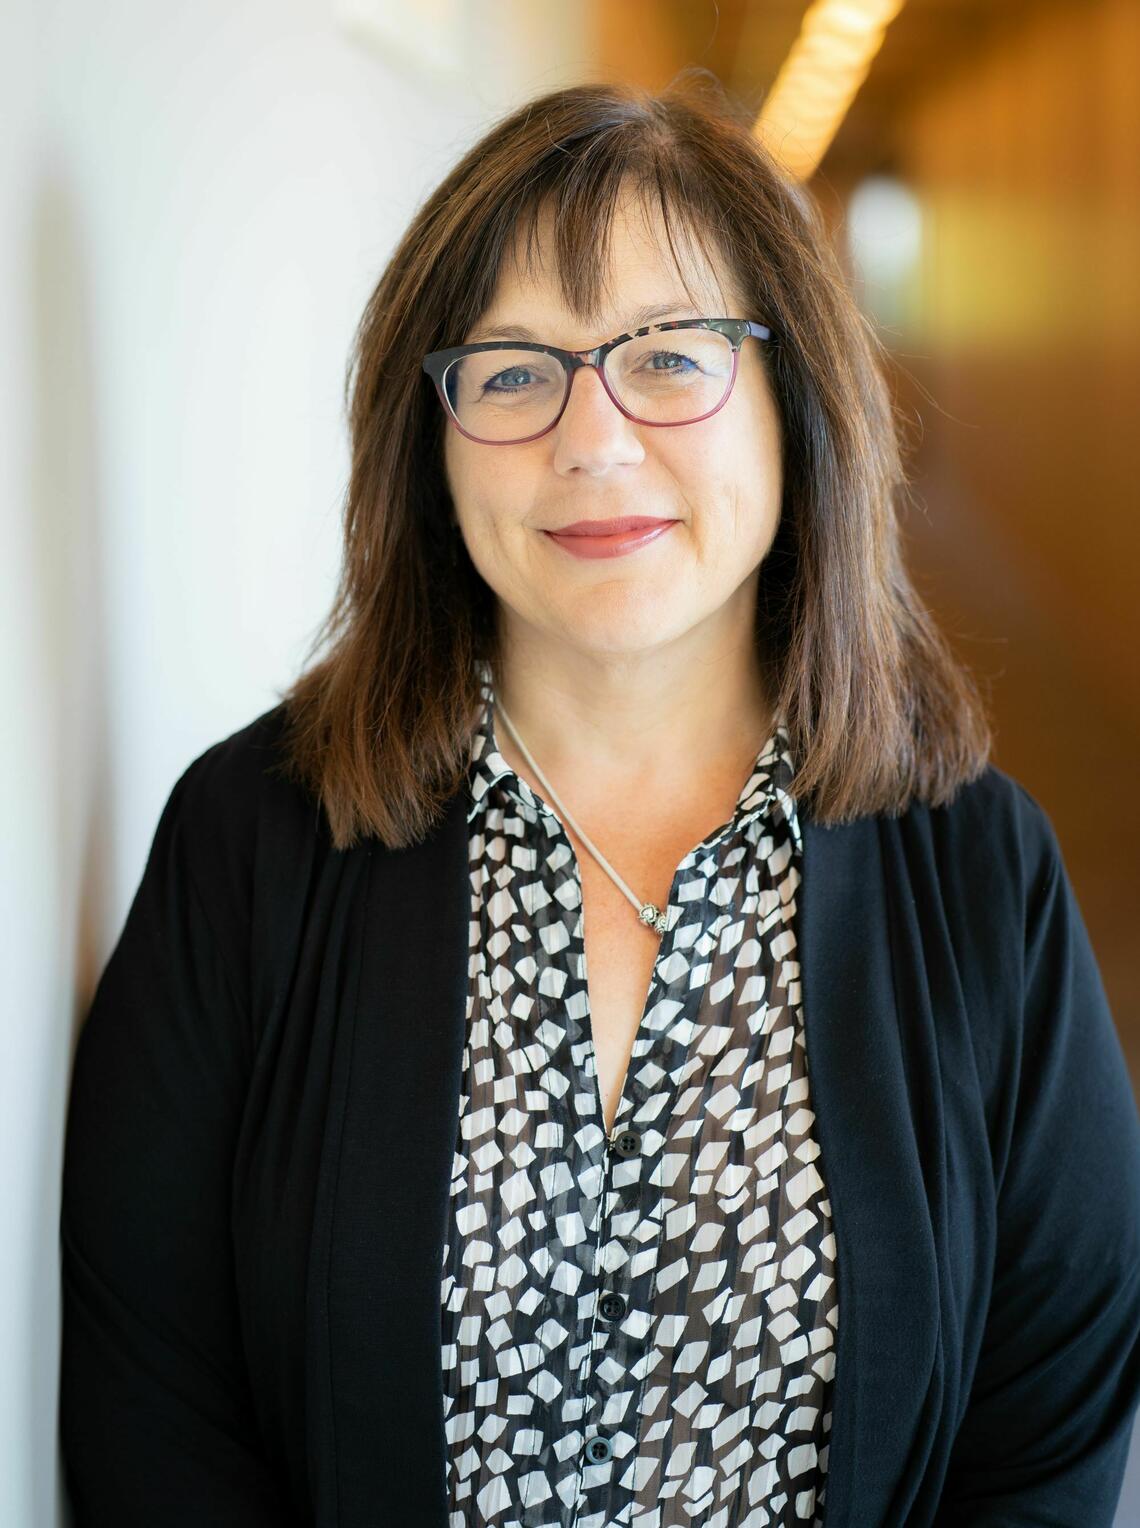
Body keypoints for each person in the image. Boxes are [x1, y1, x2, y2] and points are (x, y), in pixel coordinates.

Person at [58, 74, 1140, 1528]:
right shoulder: (252, 844)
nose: (594, 441)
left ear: (793, 405)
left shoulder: (977, 872)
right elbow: (157, 1425)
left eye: (671, 359)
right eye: (511, 372)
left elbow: (1047, 1443)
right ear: (430, 446)